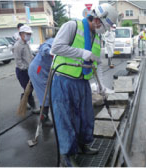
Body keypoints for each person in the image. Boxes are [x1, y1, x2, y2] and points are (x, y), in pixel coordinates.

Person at [50, 3, 118, 166]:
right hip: (63, 80)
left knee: (86, 116)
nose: (105, 30)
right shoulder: (72, 26)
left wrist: (101, 85)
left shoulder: (96, 36)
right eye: (105, 26)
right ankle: (67, 155)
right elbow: (56, 47)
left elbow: (97, 63)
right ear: (97, 19)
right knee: (66, 118)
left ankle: (83, 145)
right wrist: (82, 53)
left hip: (82, 81)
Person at [28, 38, 54, 127]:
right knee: (44, 95)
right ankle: (44, 119)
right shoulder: (54, 41)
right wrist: (51, 52)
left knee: (49, 93)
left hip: (44, 71)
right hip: (38, 70)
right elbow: (43, 47)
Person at [13, 25, 39, 113]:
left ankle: (23, 100)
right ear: (21, 34)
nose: (29, 35)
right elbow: (18, 61)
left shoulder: (26, 44)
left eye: (30, 34)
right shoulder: (17, 46)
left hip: (29, 69)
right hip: (22, 71)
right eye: (27, 34)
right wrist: (25, 68)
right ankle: (34, 108)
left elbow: (29, 56)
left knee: (29, 88)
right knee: (28, 88)